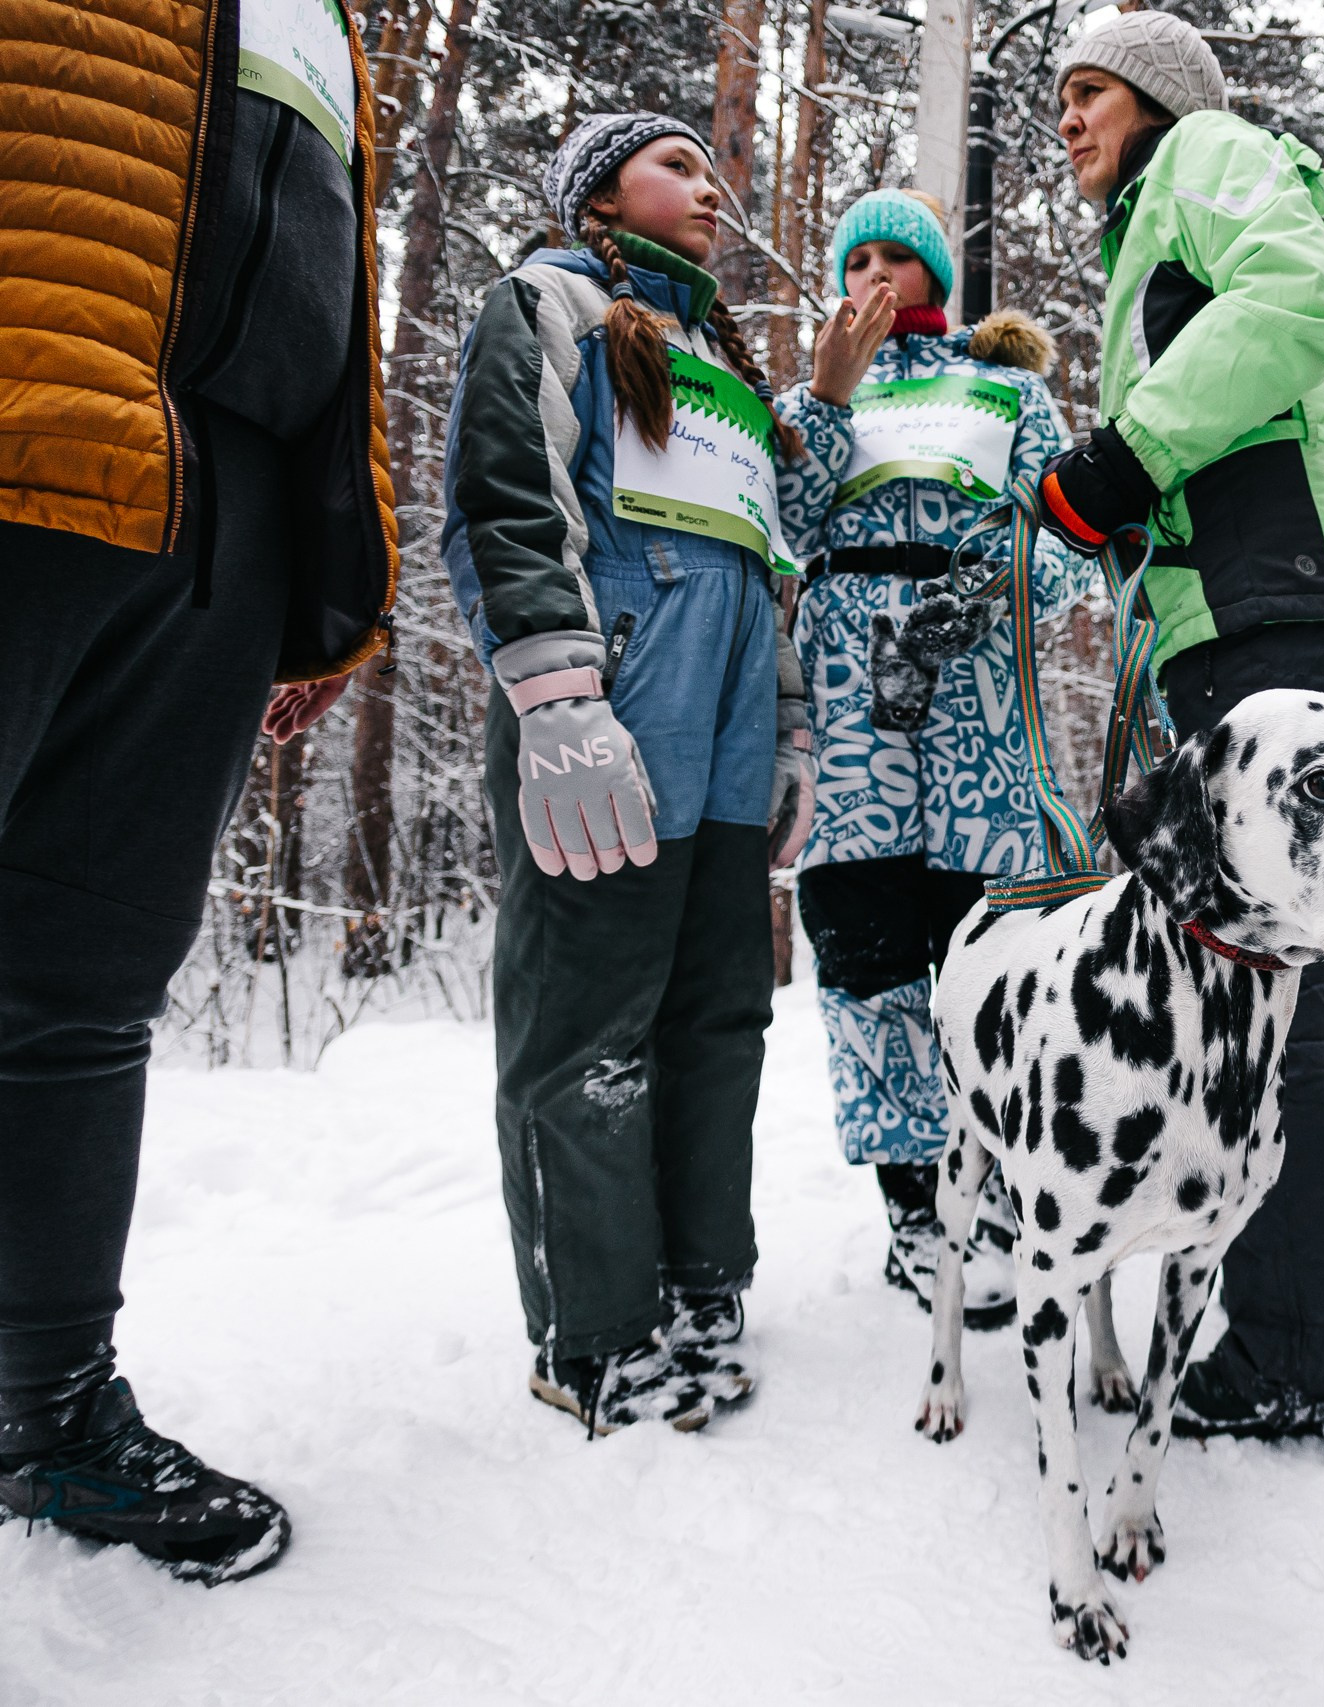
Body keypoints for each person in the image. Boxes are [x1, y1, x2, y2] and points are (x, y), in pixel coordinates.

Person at [0, 4, 398, 1581]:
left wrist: (318, 566)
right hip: (28, 406)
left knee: (82, 989)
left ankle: (46, 1416)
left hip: (214, 510)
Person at [1030, 8, 1324, 1443]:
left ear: (1161, 96)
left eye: (1090, 91)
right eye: (1058, 97)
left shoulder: (1202, 159)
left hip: (1261, 605)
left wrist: (1127, 450)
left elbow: (1297, 299)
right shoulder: (1151, 221)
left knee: (1260, 956)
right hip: (1258, 601)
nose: (1068, 119)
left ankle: (1303, 1349)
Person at [442, 114, 825, 1435]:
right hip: (603, 729)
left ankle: (700, 1280)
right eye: (679, 167)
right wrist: (555, 693)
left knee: (721, 1018)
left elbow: (761, 560)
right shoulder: (542, 304)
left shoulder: (721, 356)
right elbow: (505, 498)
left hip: (720, 745)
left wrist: (786, 727)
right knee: (587, 1031)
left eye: (713, 172)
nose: (712, 189)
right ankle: (592, 1331)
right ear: (598, 192)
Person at [773, 190, 1087, 1327]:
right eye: (852, 255)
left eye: (893, 257)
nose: (871, 273)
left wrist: (991, 593)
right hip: (853, 698)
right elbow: (788, 530)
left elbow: (1064, 543)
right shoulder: (811, 392)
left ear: (934, 278)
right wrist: (824, 397)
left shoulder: (1009, 388)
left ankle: (993, 1182)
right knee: (864, 953)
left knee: (985, 951)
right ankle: (914, 1200)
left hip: (976, 694)